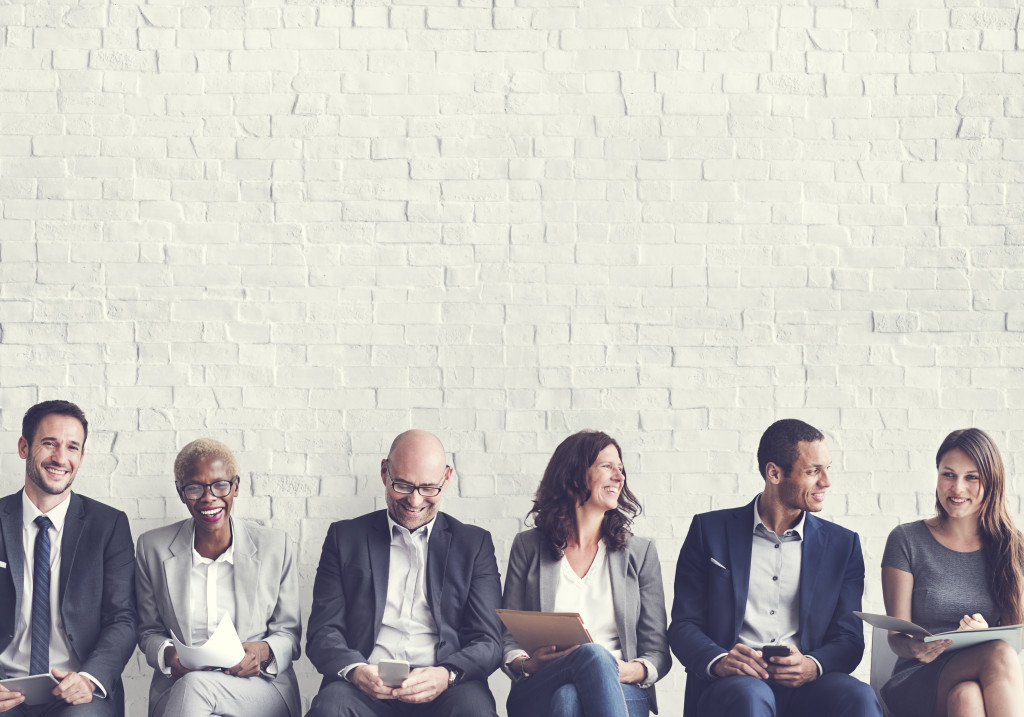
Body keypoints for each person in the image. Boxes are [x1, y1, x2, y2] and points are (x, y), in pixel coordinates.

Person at [668, 418, 881, 717]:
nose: (826, 482)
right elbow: (684, 625)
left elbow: (849, 638)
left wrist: (811, 665)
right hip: (735, 685)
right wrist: (720, 660)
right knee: (750, 696)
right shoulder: (709, 531)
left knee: (859, 697)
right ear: (774, 473)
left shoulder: (843, 545)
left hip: (808, 685)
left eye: (827, 468)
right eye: (813, 471)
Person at [305, 430, 502, 717]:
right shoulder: (344, 537)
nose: (415, 500)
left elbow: (489, 639)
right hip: (364, 685)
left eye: (428, 488)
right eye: (403, 485)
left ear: (447, 478)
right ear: (384, 472)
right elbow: (323, 630)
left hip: (445, 686)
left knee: (475, 710)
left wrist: (446, 674)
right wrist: (357, 671)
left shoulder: (473, 544)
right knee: (329, 709)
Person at [501, 430, 671, 717]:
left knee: (570, 697)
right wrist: (527, 664)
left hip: (621, 687)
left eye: (621, 468)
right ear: (577, 475)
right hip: (543, 684)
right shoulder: (528, 547)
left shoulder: (640, 554)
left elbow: (657, 652)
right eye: (607, 466)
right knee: (589, 658)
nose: (619, 476)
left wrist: (621, 670)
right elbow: (507, 637)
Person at [134, 438, 301, 717]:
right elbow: (148, 631)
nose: (209, 497)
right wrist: (168, 655)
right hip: (179, 688)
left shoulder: (275, 546)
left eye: (220, 485)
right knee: (194, 687)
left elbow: (289, 634)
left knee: (196, 687)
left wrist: (261, 652)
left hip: (257, 688)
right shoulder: (153, 548)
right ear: (180, 492)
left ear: (235, 487)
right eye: (195, 488)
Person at [0, 400, 137, 716]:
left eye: (72, 447)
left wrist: (89, 678)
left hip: (79, 690)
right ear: (24, 447)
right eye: (49, 443)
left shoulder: (109, 525)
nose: (61, 458)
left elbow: (123, 617)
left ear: (82, 456)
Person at [880, 428, 1024, 717]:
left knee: (967, 697)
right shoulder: (907, 540)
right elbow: (896, 636)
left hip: (982, 677)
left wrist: (985, 634)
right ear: (937, 476)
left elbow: (1016, 637)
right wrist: (916, 647)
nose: (957, 488)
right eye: (948, 474)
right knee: (998, 652)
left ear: (991, 482)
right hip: (918, 677)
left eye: (972, 477)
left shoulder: (1012, 546)